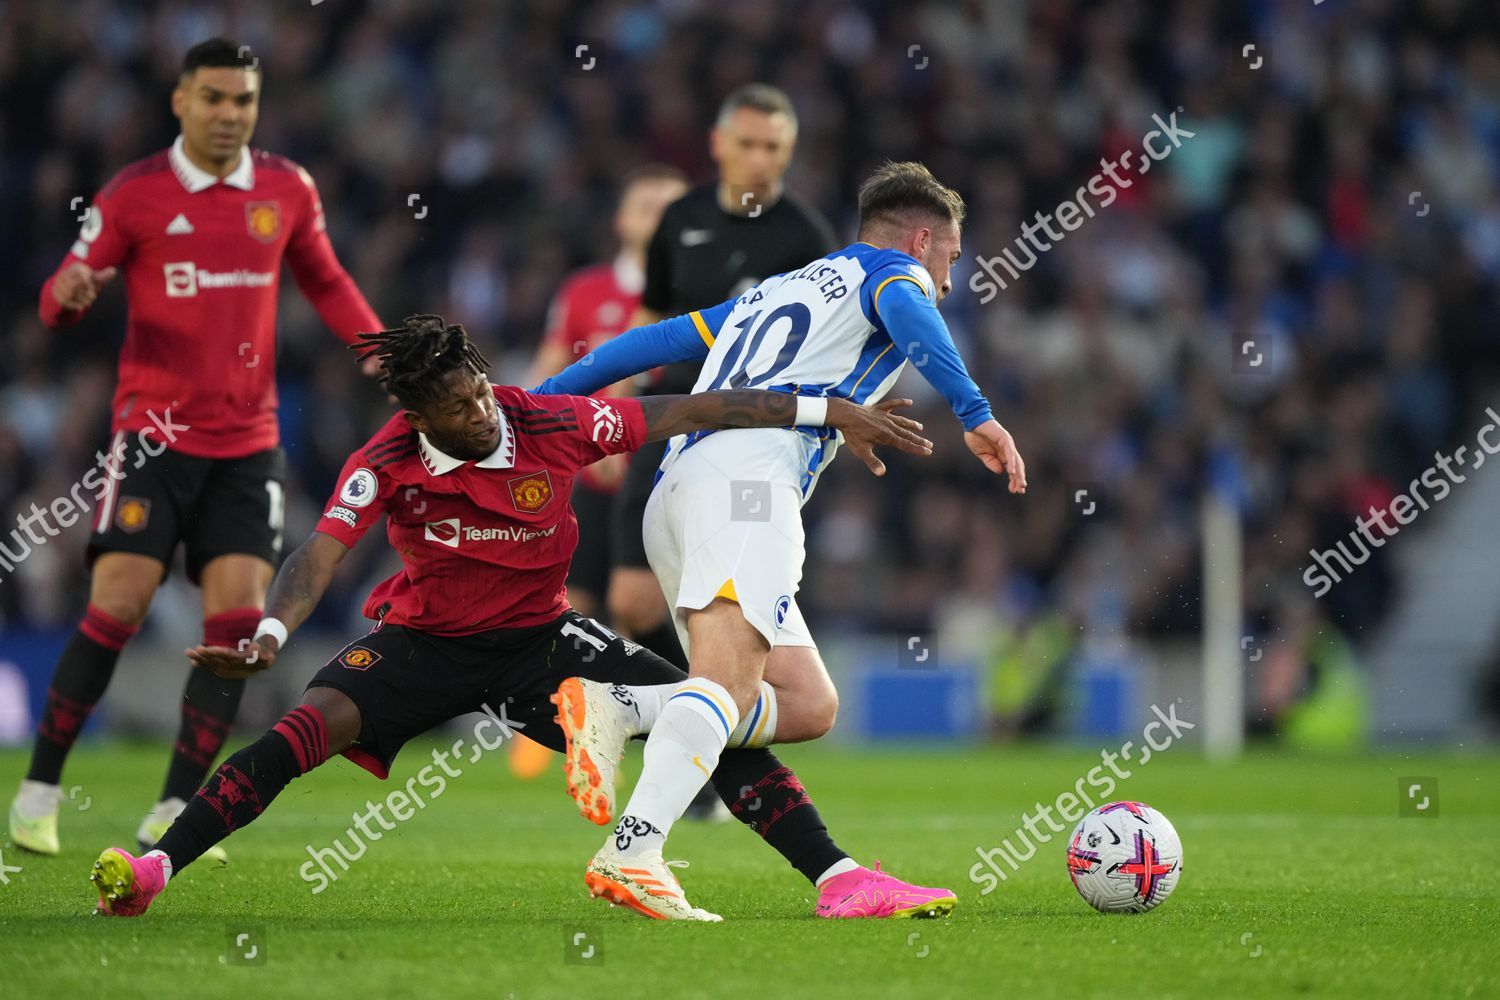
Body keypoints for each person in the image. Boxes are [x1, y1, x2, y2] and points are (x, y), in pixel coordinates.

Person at [88, 314, 955, 923]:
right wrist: (271, 634)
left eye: (478, 390)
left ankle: (837, 877)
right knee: (300, 732)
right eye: (459, 408)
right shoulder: (387, 457)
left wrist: (824, 410)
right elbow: (320, 550)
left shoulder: (549, 421)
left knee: (717, 714)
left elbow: (692, 408)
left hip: (544, 646)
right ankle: (157, 868)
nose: (482, 410)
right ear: (418, 419)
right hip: (422, 646)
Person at [536, 161, 1028, 915]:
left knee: (805, 703)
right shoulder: (897, 274)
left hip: (677, 491)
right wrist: (975, 413)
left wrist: (534, 406)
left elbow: (642, 346)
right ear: (923, 239)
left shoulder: (781, 288)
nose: (950, 280)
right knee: (728, 685)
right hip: (746, 488)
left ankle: (625, 708)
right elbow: (910, 306)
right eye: (953, 259)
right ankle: (633, 851)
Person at [9, 38, 381, 861]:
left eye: (243, 101)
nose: (229, 115)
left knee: (236, 628)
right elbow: (61, 295)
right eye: (213, 98)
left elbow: (323, 279)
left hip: (248, 448)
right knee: (118, 606)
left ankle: (173, 808)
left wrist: (376, 348)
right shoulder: (134, 193)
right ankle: (37, 791)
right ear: (181, 102)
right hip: (153, 440)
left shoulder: (286, 188)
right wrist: (65, 298)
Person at [611, 83, 836, 819]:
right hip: (668, 417)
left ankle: (693, 757)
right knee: (631, 600)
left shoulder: (806, 236)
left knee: (726, 641)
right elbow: (650, 316)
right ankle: (675, 728)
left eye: (774, 147)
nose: (759, 159)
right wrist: (613, 417)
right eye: (747, 143)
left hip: (744, 437)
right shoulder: (682, 218)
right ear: (717, 144)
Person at [508, 165, 688, 781]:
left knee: (631, 606)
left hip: (658, 471)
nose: (659, 215)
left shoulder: (699, 290)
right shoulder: (585, 291)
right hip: (585, 476)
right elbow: (552, 369)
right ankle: (581, 722)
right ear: (623, 218)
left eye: (673, 206)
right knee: (573, 608)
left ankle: (689, 713)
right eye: (647, 203)